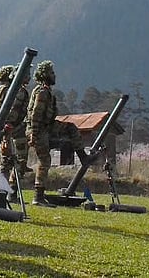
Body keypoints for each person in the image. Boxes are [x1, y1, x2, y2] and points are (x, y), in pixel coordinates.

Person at [25, 60, 94, 207]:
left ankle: (83, 157)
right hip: (40, 130)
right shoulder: (42, 92)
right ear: (45, 75)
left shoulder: (45, 91)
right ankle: (38, 197)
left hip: (47, 127)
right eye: (52, 73)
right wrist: (34, 134)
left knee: (71, 128)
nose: (54, 76)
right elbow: (35, 115)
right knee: (44, 161)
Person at [0, 64, 30, 202]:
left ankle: (1, 193)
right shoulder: (17, 90)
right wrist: (10, 128)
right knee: (19, 161)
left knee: (5, 162)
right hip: (13, 130)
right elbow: (15, 110)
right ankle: (11, 193)